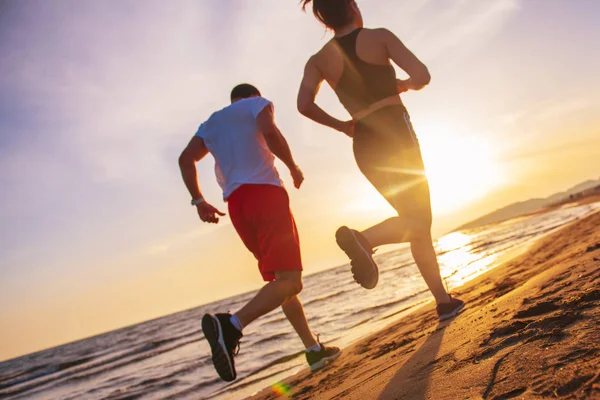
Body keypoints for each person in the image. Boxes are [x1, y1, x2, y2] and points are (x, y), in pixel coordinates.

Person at [297, 0, 464, 321]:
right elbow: (422, 74)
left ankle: (443, 302)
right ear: (352, 6)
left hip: (363, 142)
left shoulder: (318, 60)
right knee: (418, 219)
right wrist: (404, 84)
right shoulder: (379, 37)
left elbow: (304, 104)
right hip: (395, 132)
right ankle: (365, 239)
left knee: (413, 220)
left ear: (324, 19)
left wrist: (343, 125)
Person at [178, 84, 341, 382]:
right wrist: (292, 166)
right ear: (253, 96)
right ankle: (232, 325)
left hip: (238, 207)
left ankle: (313, 349)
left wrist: (199, 202)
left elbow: (185, 160)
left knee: (281, 283)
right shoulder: (257, 104)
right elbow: (271, 133)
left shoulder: (210, 123)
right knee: (291, 282)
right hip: (265, 195)